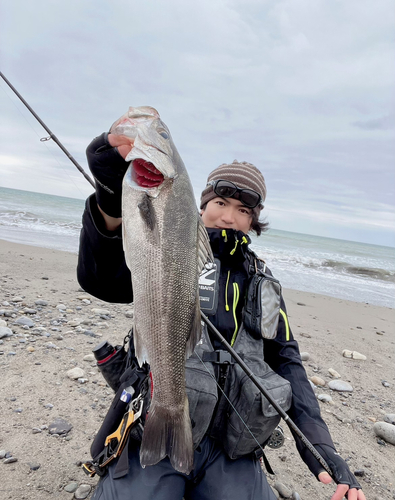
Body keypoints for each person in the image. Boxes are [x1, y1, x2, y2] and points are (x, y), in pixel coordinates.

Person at [77, 128, 366, 500]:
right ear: (201, 204)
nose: (229, 216)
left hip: (232, 446)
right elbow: (100, 279)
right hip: (155, 422)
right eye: (221, 203)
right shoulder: (165, 249)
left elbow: (288, 362)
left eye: (243, 210)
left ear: (253, 221)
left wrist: (320, 449)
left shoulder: (262, 281)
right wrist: (108, 197)